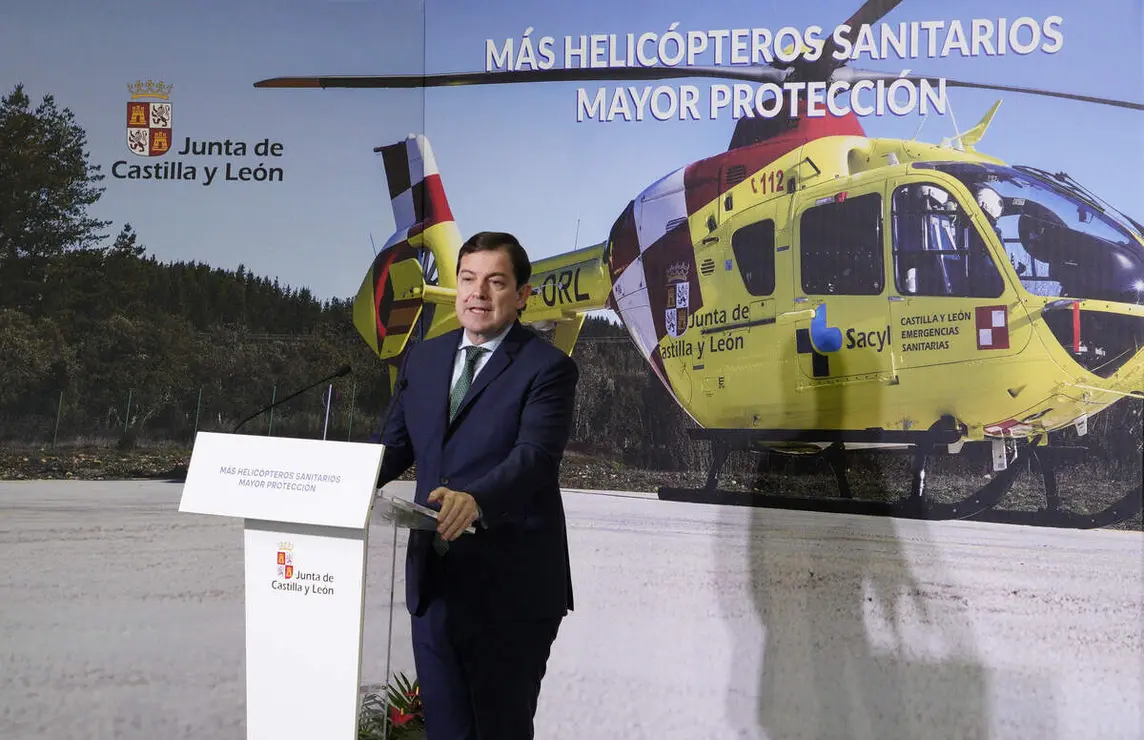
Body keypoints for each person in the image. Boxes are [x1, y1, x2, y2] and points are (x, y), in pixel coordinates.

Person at [374, 231, 579, 740]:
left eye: (495, 282)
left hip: (511, 589)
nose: (477, 293)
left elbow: (534, 459)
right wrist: (324, 478)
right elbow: (393, 449)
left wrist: (477, 500)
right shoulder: (422, 360)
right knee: (446, 731)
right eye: (467, 279)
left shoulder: (548, 369)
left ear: (523, 294)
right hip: (436, 582)